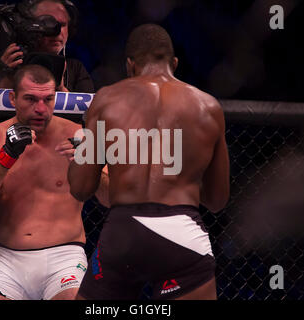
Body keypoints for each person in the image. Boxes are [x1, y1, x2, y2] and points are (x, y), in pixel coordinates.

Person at [67, 24, 230, 300]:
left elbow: (81, 188)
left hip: (123, 231)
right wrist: (182, 179)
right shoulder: (209, 107)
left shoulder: (106, 100)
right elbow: (217, 200)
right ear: (174, 63)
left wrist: (85, 147)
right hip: (182, 233)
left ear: (129, 65)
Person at [0, 64, 108, 300]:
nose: (40, 108)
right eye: (30, 99)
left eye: (47, 99)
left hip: (65, 259)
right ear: (12, 98)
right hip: (10, 260)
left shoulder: (81, 135)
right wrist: (6, 155)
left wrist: (89, 164)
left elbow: (112, 199)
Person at [0, 0, 94, 131]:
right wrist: (7, 78)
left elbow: (92, 123)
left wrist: (61, 89)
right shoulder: (3, 68)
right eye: (48, 22)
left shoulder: (75, 69)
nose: (57, 31)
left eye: (63, 25)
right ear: (29, 25)